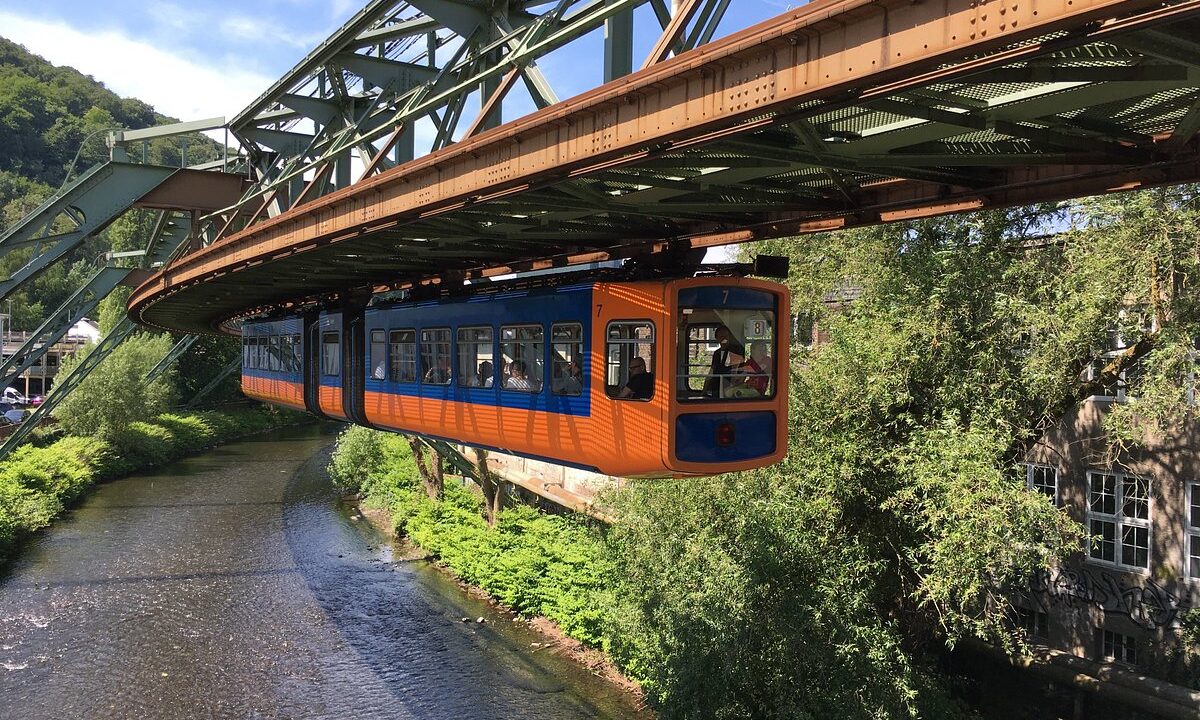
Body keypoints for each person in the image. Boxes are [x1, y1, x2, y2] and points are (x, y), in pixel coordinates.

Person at [704, 325, 745, 398]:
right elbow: (712, 370)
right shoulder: (717, 353)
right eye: (721, 336)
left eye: (726, 336)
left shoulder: (735, 350)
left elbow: (734, 370)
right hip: (716, 385)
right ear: (717, 338)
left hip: (729, 386)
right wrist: (705, 388)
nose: (724, 338)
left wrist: (732, 387)